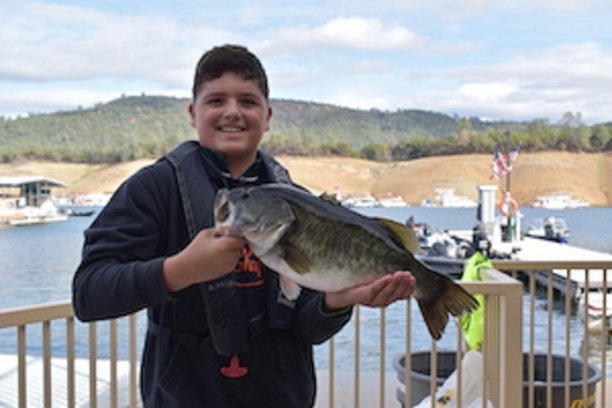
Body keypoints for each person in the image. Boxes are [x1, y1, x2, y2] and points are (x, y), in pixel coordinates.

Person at [72, 44, 416, 407]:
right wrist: (180, 270)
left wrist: (339, 300)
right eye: (216, 100)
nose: (232, 112)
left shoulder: (299, 202)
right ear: (193, 112)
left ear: (267, 116)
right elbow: (88, 294)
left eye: (248, 102)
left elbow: (307, 327)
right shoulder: (152, 189)